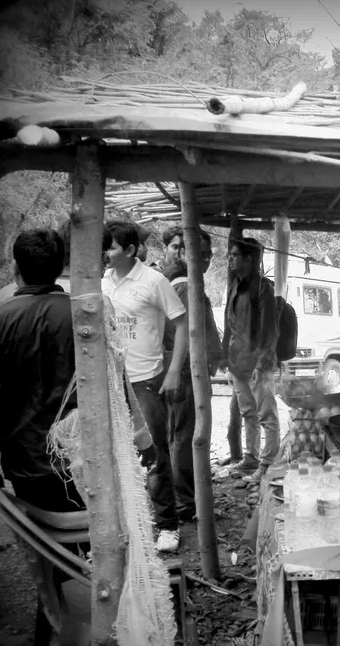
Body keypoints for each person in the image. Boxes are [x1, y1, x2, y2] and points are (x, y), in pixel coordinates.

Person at [0, 229, 87, 511]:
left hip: (25, 460)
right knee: (90, 540)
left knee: (43, 544)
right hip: (84, 454)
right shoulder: (85, 316)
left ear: (15, 268)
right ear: (60, 268)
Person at [102, 220, 188, 553]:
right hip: (111, 382)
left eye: (110, 247)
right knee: (116, 454)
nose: (106, 253)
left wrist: (174, 371)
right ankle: (130, 523)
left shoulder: (154, 281)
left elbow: (182, 324)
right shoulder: (102, 282)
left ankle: (168, 525)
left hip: (146, 381)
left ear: (130, 249)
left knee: (154, 455)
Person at [160, 225, 223, 521]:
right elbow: (187, 334)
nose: (206, 259)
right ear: (184, 254)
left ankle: (184, 497)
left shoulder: (182, 283)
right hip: (186, 371)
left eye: (209, 254)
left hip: (185, 369)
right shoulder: (184, 286)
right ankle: (186, 503)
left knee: (180, 435)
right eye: (201, 253)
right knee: (185, 438)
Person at [222, 237, 280, 484]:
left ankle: (268, 464)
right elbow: (230, 323)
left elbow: (270, 330)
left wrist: (260, 363)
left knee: (266, 414)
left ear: (249, 259)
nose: (230, 259)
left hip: (258, 363)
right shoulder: (235, 285)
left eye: (235, 255)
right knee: (248, 413)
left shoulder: (263, 288)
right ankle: (251, 458)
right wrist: (226, 357)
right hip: (238, 361)